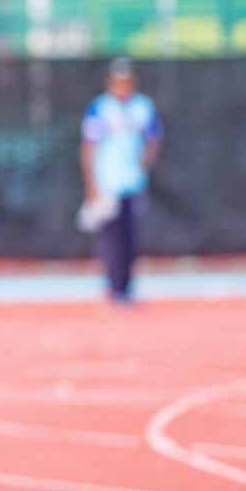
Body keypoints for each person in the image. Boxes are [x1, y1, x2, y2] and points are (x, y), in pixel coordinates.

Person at [80, 57, 161, 305]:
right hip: (108, 184)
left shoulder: (143, 107)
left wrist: (143, 164)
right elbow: (88, 148)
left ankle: (127, 287)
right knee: (111, 238)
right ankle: (113, 287)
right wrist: (92, 185)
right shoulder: (101, 108)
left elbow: (154, 138)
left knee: (131, 238)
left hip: (133, 183)